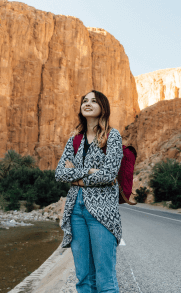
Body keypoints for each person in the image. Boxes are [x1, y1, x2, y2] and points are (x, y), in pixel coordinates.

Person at [55, 90, 123, 293]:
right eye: (85, 100)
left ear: (103, 107)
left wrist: (76, 178)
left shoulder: (112, 136)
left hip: (102, 213)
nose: (88, 103)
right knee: (84, 278)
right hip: (75, 211)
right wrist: (90, 171)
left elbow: (109, 174)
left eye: (94, 101)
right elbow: (59, 173)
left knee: (105, 279)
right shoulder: (74, 140)